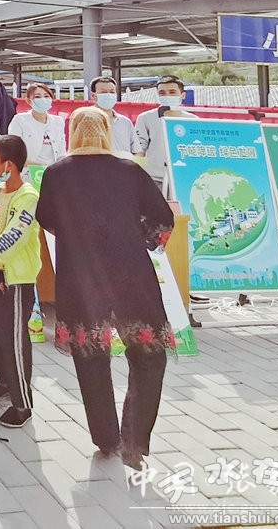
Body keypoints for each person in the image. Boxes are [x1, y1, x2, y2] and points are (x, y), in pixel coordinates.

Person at [35, 106, 175, 470]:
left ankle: (106, 438)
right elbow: (162, 220)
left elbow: (46, 218)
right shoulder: (129, 170)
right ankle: (135, 440)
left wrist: (78, 236)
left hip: (79, 277)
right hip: (130, 274)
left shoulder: (56, 173)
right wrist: (135, 235)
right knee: (148, 355)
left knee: (90, 356)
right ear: (106, 131)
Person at [0, 135, 41, 428]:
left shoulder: (28, 197)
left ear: (9, 165)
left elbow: (12, 238)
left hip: (14, 278)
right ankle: (5, 382)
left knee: (13, 340)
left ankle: (22, 404)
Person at [135, 75, 195, 194]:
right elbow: (139, 150)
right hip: (154, 179)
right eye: (162, 93)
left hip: (182, 180)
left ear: (183, 95)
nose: (167, 96)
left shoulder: (192, 120)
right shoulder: (145, 118)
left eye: (172, 92)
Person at [7, 83, 66, 167]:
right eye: (37, 97)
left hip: (54, 171)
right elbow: (14, 153)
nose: (43, 99)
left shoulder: (58, 121)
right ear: (28, 101)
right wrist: (39, 167)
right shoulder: (20, 120)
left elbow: (61, 152)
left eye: (46, 96)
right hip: (28, 171)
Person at [89, 77, 141, 157]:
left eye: (112, 92)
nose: (109, 95)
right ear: (93, 96)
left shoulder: (125, 122)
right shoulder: (86, 121)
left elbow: (137, 151)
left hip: (123, 164)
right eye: (103, 92)